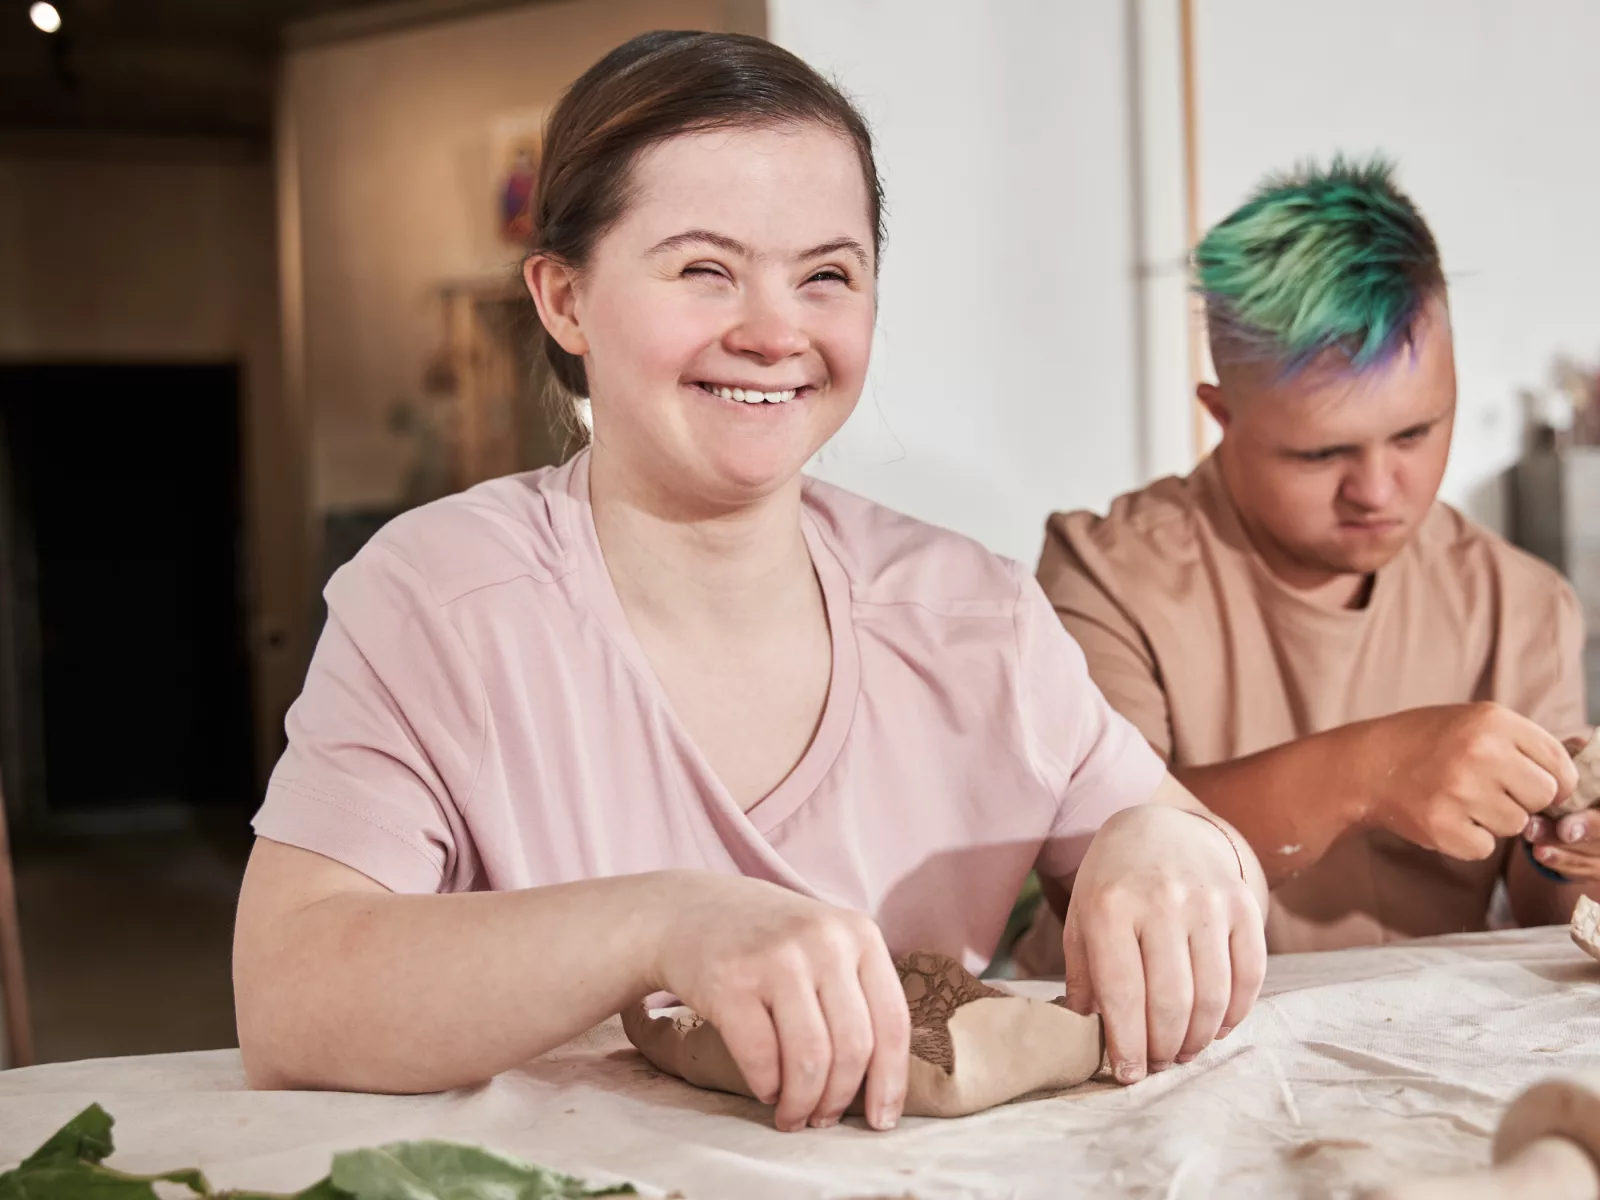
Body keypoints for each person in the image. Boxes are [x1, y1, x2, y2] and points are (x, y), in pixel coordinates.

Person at [232, 31, 1268, 1132]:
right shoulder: (440, 599)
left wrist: (1171, 846)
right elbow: (292, 998)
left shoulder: (974, 616)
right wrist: (661, 926)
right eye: (703, 270)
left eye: (826, 275)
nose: (775, 333)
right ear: (564, 301)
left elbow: (1208, 865)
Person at [1018, 156, 1590, 969]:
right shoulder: (1108, 575)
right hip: (1147, 1041)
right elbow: (1092, 863)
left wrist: (1574, 849)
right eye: (1322, 454)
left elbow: (1546, 903)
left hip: (1410, 1044)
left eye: (1416, 433)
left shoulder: (1518, 602)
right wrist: (1370, 772)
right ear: (1222, 414)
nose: (1378, 490)